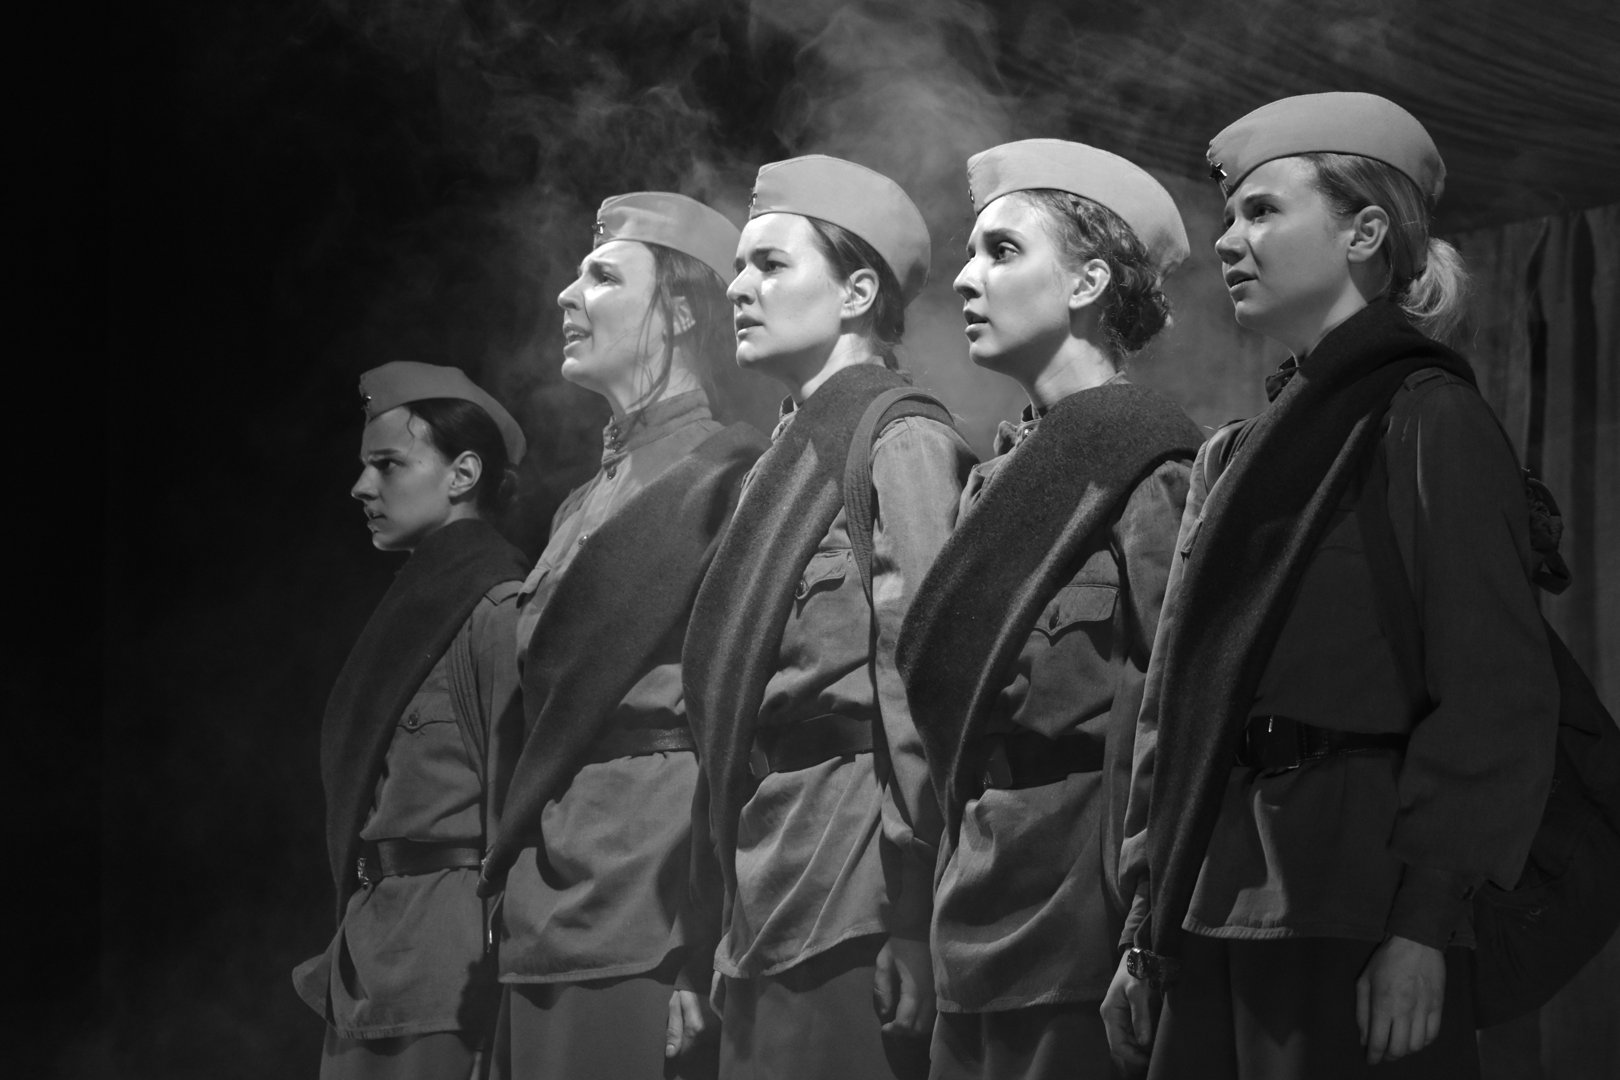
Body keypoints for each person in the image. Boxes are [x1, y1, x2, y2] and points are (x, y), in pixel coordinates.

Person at [1101, 92, 1560, 1079]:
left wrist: (1425, 925)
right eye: (1229, 216)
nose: (1228, 240)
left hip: (1352, 900)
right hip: (1211, 896)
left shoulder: (1426, 417)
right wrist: (1145, 920)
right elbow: (1172, 703)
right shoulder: (1232, 455)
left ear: (1365, 232)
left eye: (1263, 210)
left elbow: (1494, 692)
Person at [896, 139, 1203, 1080]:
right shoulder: (994, 479)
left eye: (1001, 251)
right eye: (969, 253)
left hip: (1083, 907)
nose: (964, 278)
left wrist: (1146, 926)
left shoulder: (1151, 466)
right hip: (974, 893)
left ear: (1088, 282)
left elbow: (1177, 711)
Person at [682, 155, 976, 1080]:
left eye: (771, 265)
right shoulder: (780, 461)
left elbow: (923, 685)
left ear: (857, 293)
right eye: (739, 267)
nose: (739, 287)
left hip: (855, 872)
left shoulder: (902, 439)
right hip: (769, 862)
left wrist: (912, 910)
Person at [478, 192, 767, 1080]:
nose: (568, 296)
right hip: (542, 892)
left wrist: (703, 929)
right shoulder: (579, 504)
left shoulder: (731, 476)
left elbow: (735, 723)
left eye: (603, 277)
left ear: (680, 310)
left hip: (646, 898)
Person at [294, 361, 531, 1079]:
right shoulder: (415, 606)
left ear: (463, 474)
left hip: (444, 972)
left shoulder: (496, 609)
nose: (362, 487)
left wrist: (504, 994)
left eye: (389, 464)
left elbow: (515, 816)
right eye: (366, 465)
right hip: (368, 960)